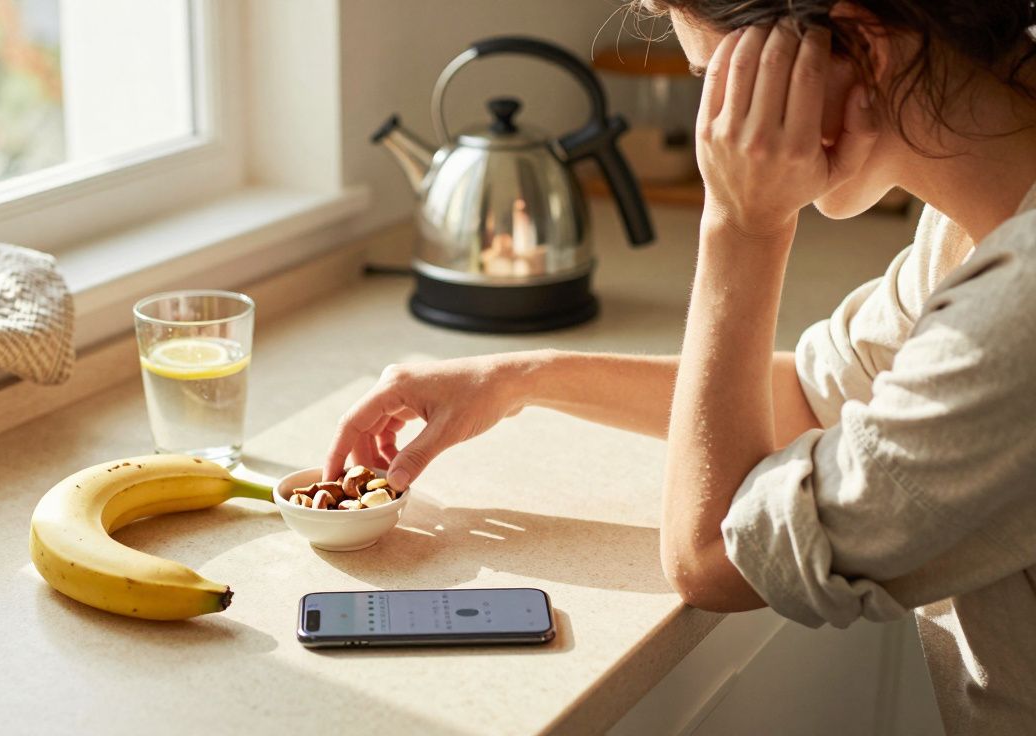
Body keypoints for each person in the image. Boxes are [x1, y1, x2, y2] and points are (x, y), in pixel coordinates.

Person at [324, 1, 1036, 731]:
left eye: (724, 79)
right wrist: (523, 378)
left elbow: (713, 555)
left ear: (863, 42)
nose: (718, 126)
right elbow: (815, 395)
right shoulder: (976, 222)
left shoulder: (1018, 310)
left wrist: (741, 223)